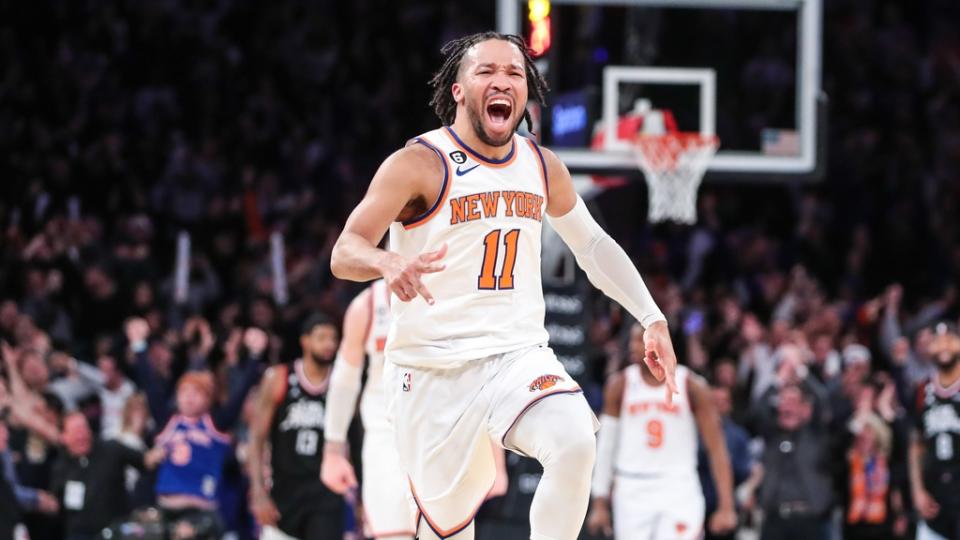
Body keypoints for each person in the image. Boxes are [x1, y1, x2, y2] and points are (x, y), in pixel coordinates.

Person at [329, 31, 679, 540]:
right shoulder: (420, 163)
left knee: (576, 438)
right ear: (458, 89)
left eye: (514, 73)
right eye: (486, 72)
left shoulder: (539, 164)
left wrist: (651, 316)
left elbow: (595, 247)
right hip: (433, 369)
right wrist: (386, 262)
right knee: (448, 532)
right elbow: (344, 251)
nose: (502, 82)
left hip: (516, 355)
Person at [587, 323, 737, 539]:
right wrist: (599, 502)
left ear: (662, 343)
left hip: (678, 486)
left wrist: (727, 506)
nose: (632, 346)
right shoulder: (619, 385)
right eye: (631, 340)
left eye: (640, 340)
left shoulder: (692, 386)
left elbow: (717, 449)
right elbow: (606, 446)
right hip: (631, 488)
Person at [322, 279, 417, 539]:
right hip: (384, 432)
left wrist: (493, 456)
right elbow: (344, 380)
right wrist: (333, 450)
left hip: (439, 431)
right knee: (393, 533)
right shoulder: (366, 305)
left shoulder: (449, 292)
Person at [247, 314, 344, 540]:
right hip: (284, 491)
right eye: (322, 337)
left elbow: (357, 437)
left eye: (333, 338)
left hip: (326, 492)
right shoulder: (279, 377)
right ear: (305, 341)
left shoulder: (342, 382)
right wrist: (258, 493)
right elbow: (256, 439)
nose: (329, 344)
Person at [51, 411, 164, 540]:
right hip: (79, 534)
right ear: (64, 437)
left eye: (83, 429)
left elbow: (145, 461)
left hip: (115, 531)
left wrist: (160, 452)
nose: (81, 435)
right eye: (76, 431)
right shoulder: (59, 466)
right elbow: (56, 502)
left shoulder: (111, 449)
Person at [909, 322, 960, 540]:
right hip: (935, 497)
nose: (943, 346)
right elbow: (916, 445)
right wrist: (917, 491)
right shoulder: (922, 390)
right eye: (937, 341)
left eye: (950, 339)